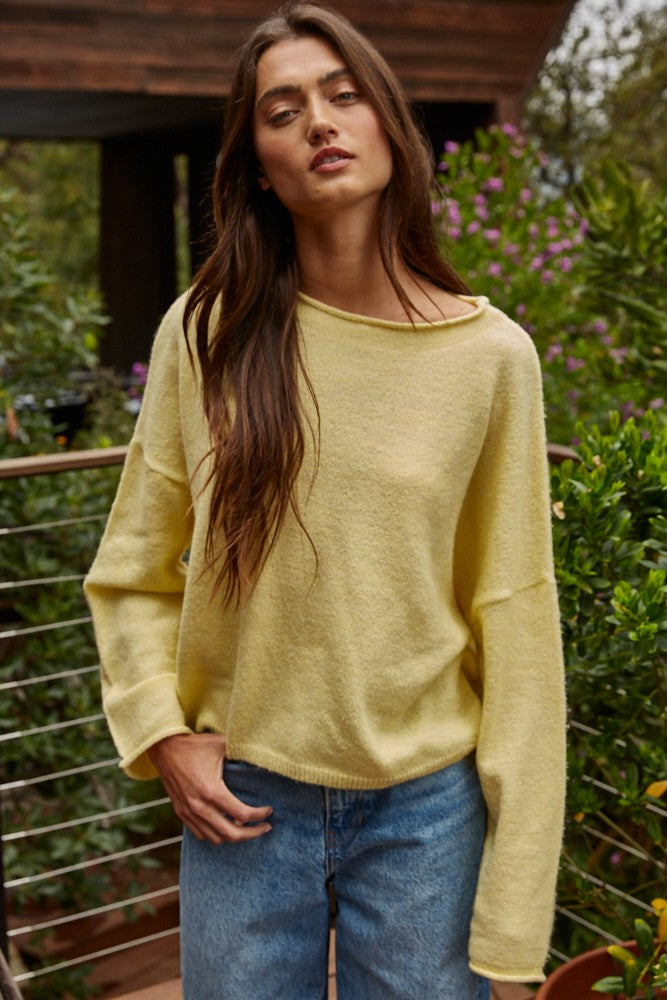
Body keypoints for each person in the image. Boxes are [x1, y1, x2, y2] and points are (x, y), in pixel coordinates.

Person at [84, 3, 566, 998]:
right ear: (259, 166)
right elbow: (131, 572)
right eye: (283, 109)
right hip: (243, 800)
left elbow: (517, 628)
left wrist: (515, 927)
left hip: (428, 817)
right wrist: (162, 733)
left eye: (344, 96)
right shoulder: (205, 334)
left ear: (390, 125)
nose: (318, 122)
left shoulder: (490, 359)